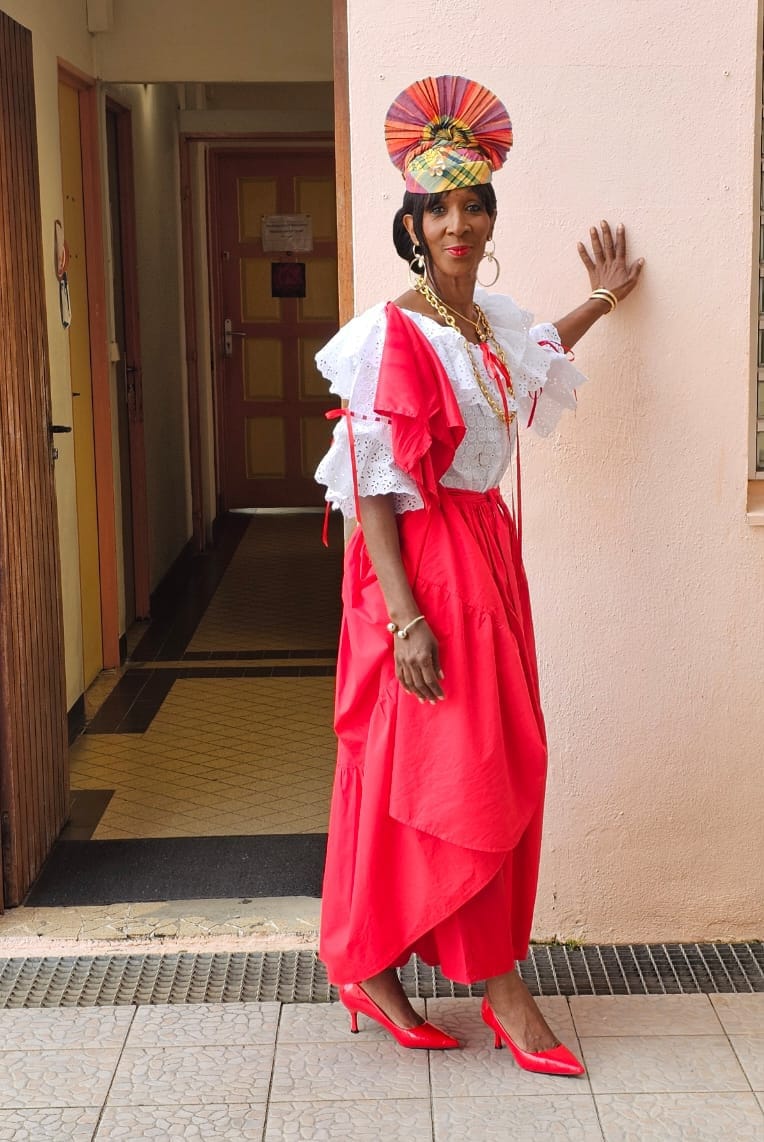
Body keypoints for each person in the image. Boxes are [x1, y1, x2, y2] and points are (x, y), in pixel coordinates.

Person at [314, 74, 643, 1074]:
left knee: (447, 766)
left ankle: (371, 963)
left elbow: (535, 354)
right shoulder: (391, 333)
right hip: (422, 568)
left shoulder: (486, 320)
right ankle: (499, 989)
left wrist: (603, 298)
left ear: (490, 217)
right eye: (438, 208)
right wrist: (405, 619)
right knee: (457, 772)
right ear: (412, 225)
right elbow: (372, 485)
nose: (457, 223)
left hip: (488, 560)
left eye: (472, 205)